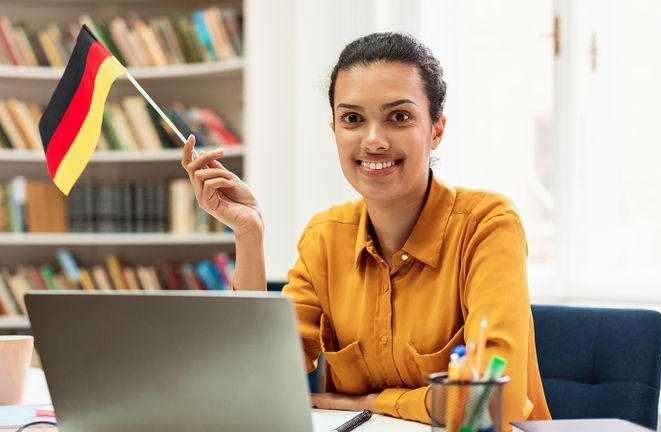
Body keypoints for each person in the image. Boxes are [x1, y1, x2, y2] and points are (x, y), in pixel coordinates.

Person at [181, 32, 551, 426]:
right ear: (335, 131)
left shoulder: (487, 225)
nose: (373, 141)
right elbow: (257, 379)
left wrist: (375, 401)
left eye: (399, 117)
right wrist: (249, 236)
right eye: (353, 119)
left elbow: (492, 403)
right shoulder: (325, 237)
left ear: (436, 130)